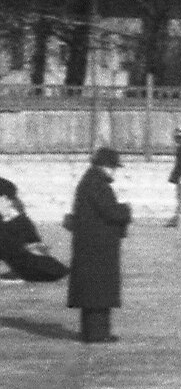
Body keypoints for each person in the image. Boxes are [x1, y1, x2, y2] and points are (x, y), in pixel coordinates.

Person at [66, 146, 131, 342]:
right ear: (104, 166)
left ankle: (94, 332)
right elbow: (110, 211)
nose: (114, 172)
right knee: (98, 294)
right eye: (113, 167)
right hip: (97, 250)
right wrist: (126, 210)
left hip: (91, 247)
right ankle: (97, 334)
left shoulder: (90, 181)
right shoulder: (97, 184)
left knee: (94, 295)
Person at [0, 182, 70, 283]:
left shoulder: (20, 221)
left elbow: (36, 247)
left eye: (10, 199)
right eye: (6, 199)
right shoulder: (18, 221)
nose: (10, 203)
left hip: (39, 269)